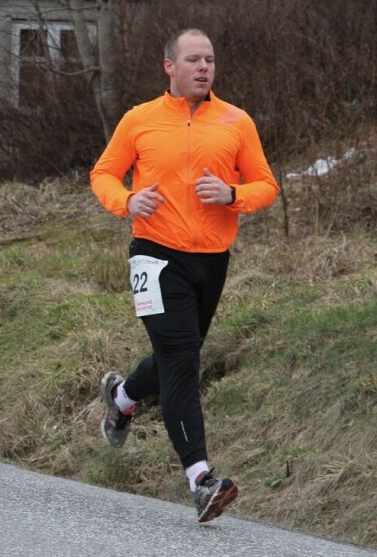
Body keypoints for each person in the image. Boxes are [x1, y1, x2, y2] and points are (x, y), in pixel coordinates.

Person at [90, 28, 279, 522]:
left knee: (180, 351)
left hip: (212, 258)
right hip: (153, 255)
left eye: (210, 60)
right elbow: (102, 174)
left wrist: (234, 195)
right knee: (181, 360)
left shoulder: (236, 122)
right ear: (169, 66)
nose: (203, 67)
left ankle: (123, 396)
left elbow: (266, 185)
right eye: (193, 59)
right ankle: (200, 479)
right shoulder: (140, 120)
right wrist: (127, 200)